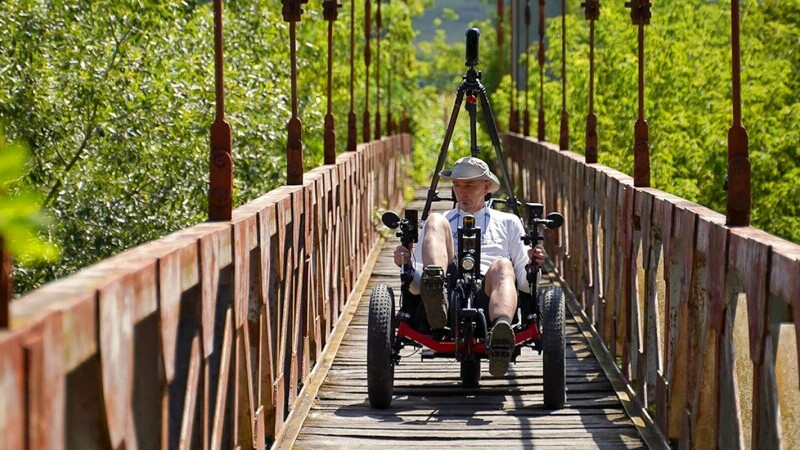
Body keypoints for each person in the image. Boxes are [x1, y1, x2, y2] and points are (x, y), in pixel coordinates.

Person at [393, 156, 547, 377]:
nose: (461, 191)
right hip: (447, 289)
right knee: (435, 219)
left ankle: (501, 334)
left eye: (468, 185)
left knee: (503, 264)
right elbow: (416, 284)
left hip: (491, 291)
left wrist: (533, 263)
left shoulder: (508, 222)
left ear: (486, 186)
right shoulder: (440, 221)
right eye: (456, 185)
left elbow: (523, 282)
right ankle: (437, 291)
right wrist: (405, 262)